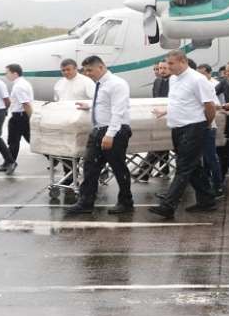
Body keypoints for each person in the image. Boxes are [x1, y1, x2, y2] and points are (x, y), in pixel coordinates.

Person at [149, 50, 218, 219]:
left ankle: (168, 205)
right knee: (193, 166)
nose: (167, 67)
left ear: (183, 61)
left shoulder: (197, 80)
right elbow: (178, 102)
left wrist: (206, 124)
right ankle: (207, 200)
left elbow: (210, 106)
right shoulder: (173, 79)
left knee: (184, 166)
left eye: (171, 64)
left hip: (194, 127)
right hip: (178, 127)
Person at [66, 55, 133, 215]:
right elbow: (104, 105)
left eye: (90, 70)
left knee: (118, 167)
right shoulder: (100, 84)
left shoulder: (117, 84)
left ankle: (126, 201)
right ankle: (86, 202)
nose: (87, 73)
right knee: (90, 167)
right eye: (85, 70)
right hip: (98, 130)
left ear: (101, 67)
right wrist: (89, 106)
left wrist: (110, 135)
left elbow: (118, 111)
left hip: (114, 131)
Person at [52, 59, 95, 185]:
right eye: (63, 70)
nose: (65, 72)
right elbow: (57, 101)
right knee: (66, 150)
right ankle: (70, 175)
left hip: (83, 121)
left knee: (85, 151)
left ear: (76, 68)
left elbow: (95, 99)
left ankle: (94, 174)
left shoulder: (86, 82)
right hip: (65, 121)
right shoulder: (59, 84)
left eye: (68, 69)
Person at [132, 61, 171, 182]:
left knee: (160, 146)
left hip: (172, 117)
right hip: (159, 118)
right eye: (160, 68)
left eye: (164, 68)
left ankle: (145, 171)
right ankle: (155, 171)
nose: (162, 70)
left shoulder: (175, 81)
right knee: (161, 145)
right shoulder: (157, 81)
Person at [197, 63, 224, 196]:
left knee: (211, 158)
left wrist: (207, 123)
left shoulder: (208, 86)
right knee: (202, 159)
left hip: (207, 127)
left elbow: (215, 105)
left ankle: (218, 186)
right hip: (197, 127)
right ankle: (207, 185)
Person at [5, 64, 34, 164]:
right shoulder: (24, 83)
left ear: (15, 73)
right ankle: (53, 158)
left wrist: (32, 118)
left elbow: (25, 103)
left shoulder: (19, 86)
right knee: (31, 139)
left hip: (19, 116)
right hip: (22, 116)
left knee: (13, 141)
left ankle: (10, 162)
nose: (6, 75)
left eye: (7, 73)